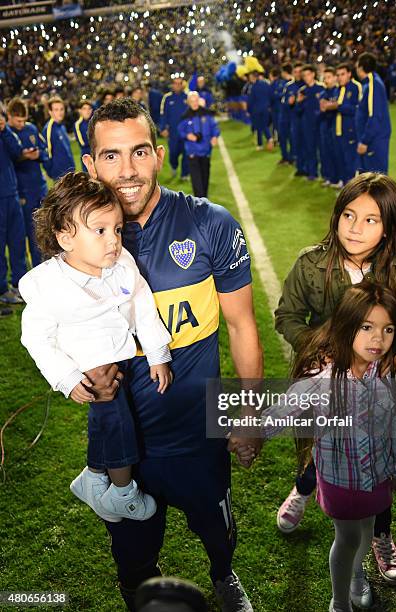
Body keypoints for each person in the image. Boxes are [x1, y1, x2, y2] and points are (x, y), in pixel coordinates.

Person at [81, 99, 263, 611]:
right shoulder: (74, 247)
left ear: (159, 155)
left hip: (197, 429)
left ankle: (225, 576)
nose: (128, 170)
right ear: (90, 165)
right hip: (124, 444)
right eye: (111, 157)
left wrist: (250, 413)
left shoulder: (210, 223)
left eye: (138, 152)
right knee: (134, 559)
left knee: (216, 530)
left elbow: (242, 323)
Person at [274, 173, 396, 585]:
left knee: (379, 459)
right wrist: (321, 349)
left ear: (390, 225)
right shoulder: (311, 263)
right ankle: (304, 487)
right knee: (327, 444)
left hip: (381, 391)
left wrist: (394, 351)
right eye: (348, 215)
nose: (355, 227)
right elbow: (287, 316)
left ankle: (382, 535)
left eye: (371, 220)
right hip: (329, 385)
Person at [19, 172, 173, 523]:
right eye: (100, 231)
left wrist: (157, 353)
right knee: (117, 425)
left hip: (125, 362)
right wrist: (68, 377)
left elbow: (142, 304)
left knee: (113, 424)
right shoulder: (48, 286)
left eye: (117, 229)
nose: (114, 241)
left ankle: (92, 476)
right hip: (94, 376)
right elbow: (36, 338)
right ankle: (121, 491)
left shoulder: (121, 265)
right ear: (64, 237)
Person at [265, 281, 396, 612]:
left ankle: (356, 572)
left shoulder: (393, 372)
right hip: (340, 478)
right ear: (347, 325)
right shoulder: (322, 373)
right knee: (347, 538)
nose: (378, 339)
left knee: (365, 532)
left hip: (378, 476)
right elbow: (285, 408)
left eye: (388, 329)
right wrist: (251, 433)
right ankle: (339, 602)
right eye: (367, 327)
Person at [7, 97, 48, 268]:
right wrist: (23, 156)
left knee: (44, 232)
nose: (21, 124)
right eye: (18, 121)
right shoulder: (6, 134)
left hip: (39, 187)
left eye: (24, 120)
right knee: (24, 235)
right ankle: (27, 274)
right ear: (9, 116)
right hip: (21, 192)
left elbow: (44, 149)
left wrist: (38, 155)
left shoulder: (31, 129)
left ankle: (45, 267)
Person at [0, 106, 28, 305]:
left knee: (18, 241)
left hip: (11, 193)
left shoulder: (5, 133)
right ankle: (2, 288)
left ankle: (19, 283)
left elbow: (17, 152)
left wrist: (4, 130)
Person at [321, 63, 362, 187]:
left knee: (351, 161)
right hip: (337, 129)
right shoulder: (338, 89)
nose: (340, 77)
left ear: (349, 74)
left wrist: (337, 106)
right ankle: (344, 184)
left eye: (342, 74)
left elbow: (356, 109)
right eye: (338, 75)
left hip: (350, 130)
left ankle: (352, 188)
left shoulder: (355, 87)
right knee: (340, 158)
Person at [178, 92, 220, 198]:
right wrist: (187, 135)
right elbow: (180, 131)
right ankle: (200, 202)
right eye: (192, 101)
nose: (195, 103)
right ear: (188, 102)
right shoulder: (185, 116)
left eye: (196, 100)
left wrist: (215, 136)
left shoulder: (206, 114)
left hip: (206, 151)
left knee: (205, 178)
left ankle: (204, 200)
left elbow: (214, 126)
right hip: (193, 153)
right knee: (197, 182)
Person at [355, 53, 391, 174]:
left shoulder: (373, 84)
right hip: (372, 138)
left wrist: (365, 141)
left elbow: (375, 115)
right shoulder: (369, 83)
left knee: (376, 179)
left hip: (374, 140)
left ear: (361, 68)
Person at [295, 65, 325, 180]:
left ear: (313, 74)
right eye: (304, 76)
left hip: (320, 123)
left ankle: (326, 174)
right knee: (309, 149)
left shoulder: (321, 88)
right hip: (307, 124)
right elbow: (298, 111)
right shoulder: (302, 91)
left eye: (308, 74)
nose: (306, 77)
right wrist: (299, 102)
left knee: (323, 150)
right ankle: (312, 173)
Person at [159, 77, 189, 180]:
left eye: (179, 83)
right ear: (172, 85)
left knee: (186, 153)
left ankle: (184, 174)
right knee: (174, 152)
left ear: (182, 85)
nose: (177, 85)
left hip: (186, 132)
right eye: (175, 83)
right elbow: (163, 114)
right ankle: (174, 166)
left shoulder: (187, 97)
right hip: (173, 132)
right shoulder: (167, 98)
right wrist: (163, 128)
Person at [42, 96, 75, 181]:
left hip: (70, 172)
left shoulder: (62, 126)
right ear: (50, 112)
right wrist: (52, 172)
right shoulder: (48, 129)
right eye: (56, 110)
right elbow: (46, 154)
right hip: (59, 176)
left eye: (61, 109)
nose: (60, 112)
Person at [318, 66, 339, 187]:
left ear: (335, 78)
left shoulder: (339, 91)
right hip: (325, 125)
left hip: (336, 125)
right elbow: (323, 107)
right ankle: (329, 177)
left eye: (329, 77)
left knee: (336, 153)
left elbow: (335, 105)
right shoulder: (323, 93)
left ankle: (338, 178)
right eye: (325, 77)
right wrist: (333, 105)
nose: (326, 80)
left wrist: (331, 105)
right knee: (325, 152)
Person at [247, 71, 273, 151]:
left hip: (256, 110)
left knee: (259, 126)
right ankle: (262, 143)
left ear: (253, 77)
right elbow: (270, 95)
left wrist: (249, 110)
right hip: (266, 109)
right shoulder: (266, 84)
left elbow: (251, 100)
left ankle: (266, 139)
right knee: (264, 125)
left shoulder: (253, 87)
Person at [277, 63, 294, 165]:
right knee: (283, 137)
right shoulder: (286, 84)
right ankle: (286, 157)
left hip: (289, 115)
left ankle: (291, 157)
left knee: (290, 138)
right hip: (284, 114)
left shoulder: (291, 84)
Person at [74, 100, 93, 172]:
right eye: (84, 109)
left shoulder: (94, 122)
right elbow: (82, 143)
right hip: (87, 155)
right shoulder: (78, 124)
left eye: (89, 109)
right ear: (80, 111)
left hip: (97, 154)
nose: (87, 111)